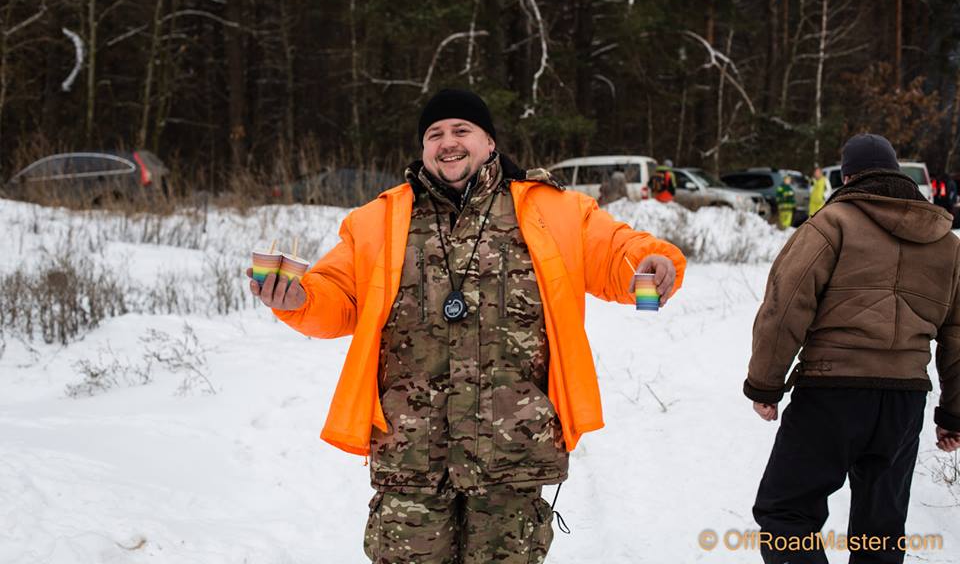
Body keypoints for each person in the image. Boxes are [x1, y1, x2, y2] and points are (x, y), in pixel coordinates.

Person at [246, 89, 687, 563]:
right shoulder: (380, 220)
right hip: (410, 454)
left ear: (489, 142)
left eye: (462, 130)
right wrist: (300, 300)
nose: (448, 142)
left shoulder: (551, 210)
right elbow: (337, 294)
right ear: (423, 148)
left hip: (513, 453)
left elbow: (616, 251)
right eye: (434, 134)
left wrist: (652, 261)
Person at [744, 133, 960, 564]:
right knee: (880, 529)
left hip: (831, 392)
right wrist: (954, 413)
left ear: (847, 177)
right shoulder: (946, 243)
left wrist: (765, 385)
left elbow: (784, 307)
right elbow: (957, 335)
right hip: (903, 402)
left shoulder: (831, 224)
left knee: (786, 512)